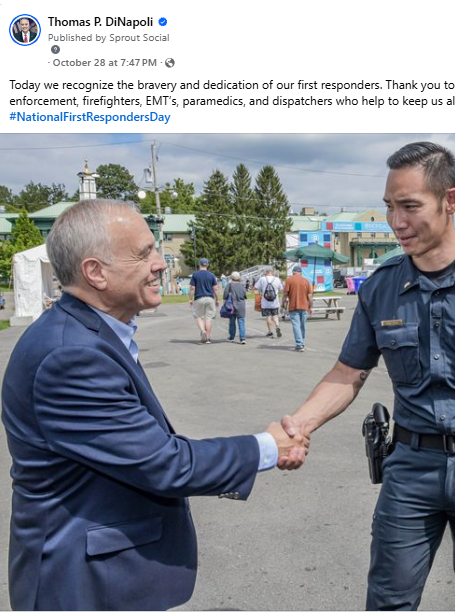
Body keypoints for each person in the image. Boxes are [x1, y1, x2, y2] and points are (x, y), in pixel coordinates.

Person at [0, 200, 308, 611]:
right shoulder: (70, 355)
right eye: (144, 253)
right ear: (95, 272)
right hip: (84, 585)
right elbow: (164, 464)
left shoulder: (86, 334)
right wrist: (267, 446)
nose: (162, 264)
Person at [279, 142, 455, 610]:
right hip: (412, 471)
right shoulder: (382, 286)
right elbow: (348, 371)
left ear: (450, 201)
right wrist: (302, 424)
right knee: (389, 602)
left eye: (410, 206)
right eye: (390, 207)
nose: (396, 222)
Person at [282, 265, 313, 352]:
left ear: (293, 272)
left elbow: (285, 295)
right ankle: (301, 342)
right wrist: (311, 307)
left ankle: (299, 344)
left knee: (296, 326)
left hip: (293, 307)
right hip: (304, 307)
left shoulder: (289, 280)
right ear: (301, 272)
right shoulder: (306, 281)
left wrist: (282, 306)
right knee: (302, 326)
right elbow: (310, 296)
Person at [189, 257, 218, 344]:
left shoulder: (195, 275)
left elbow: (192, 288)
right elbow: (215, 289)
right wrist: (217, 299)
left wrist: (190, 299)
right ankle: (208, 338)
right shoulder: (211, 275)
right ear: (207, 265)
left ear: (199, 264)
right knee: (209, 318)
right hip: (210, 298)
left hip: (199, 298)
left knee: (198, 316)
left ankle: (203, 331)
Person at [254, 267, 283, 338]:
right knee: (275, 315)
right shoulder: (277, 279)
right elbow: (281, 289)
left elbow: (255, 287)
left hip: (265, 302)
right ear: (272, 272)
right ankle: (277, 326)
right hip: (275, 302)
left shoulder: (262, 279)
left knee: (268, 316)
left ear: (266, 272)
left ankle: (270, 332)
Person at [224, 271, 247, 344]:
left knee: (232, 322)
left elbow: (225, 296)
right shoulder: (242, 285)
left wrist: (224, 305)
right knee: (241, 322)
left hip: (232, 306)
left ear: (232, 277)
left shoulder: (229, 285)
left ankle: (231, 337)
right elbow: (244, 295)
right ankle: (242, 338)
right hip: (241, 306)